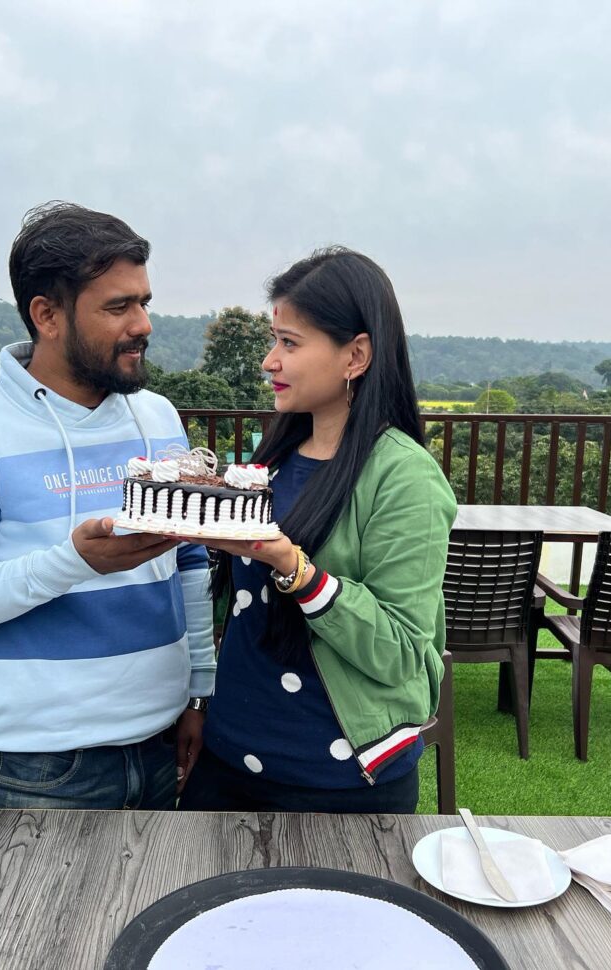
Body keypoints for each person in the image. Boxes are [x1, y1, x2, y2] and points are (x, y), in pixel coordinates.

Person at [0, 202, 215, 810]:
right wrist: (72, 561)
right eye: (118, 307)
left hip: (162, 742)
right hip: (37, 767)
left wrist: (199, 691)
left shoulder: (158, 417)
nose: (144, 323)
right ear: (47, 314)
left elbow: (191, 565)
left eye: (144, 301)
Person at [179, 247, 457, 814]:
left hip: (338, 783)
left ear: (356, 355)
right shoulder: (275, 458)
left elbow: (405, 652)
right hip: (228, 763)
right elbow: (244, 616)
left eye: (289, 342)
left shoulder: (404, 476)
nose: (268, 361)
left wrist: (296, 569)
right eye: (273, 339)